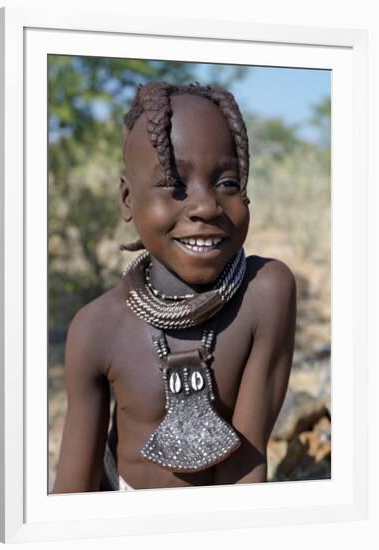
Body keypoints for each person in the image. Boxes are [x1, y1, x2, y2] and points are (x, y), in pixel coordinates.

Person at [51, 81, 296, 493]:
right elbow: (73, 490)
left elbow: (247, 470)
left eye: (227, 183)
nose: (205, 206)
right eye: (174, 184)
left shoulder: (265, 293)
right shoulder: (96, 328)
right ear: (127, 199)